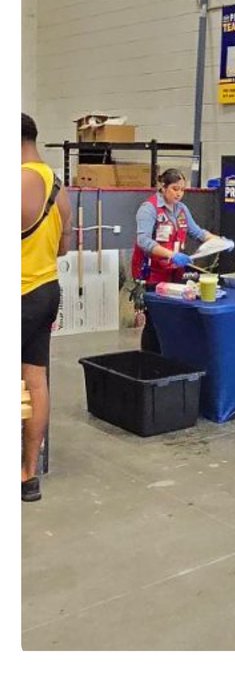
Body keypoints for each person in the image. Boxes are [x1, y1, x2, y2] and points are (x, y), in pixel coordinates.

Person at [21, 114, 72, 503]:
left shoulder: (18, 182)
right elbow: (62, 248)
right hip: (45, 291)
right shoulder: (59, 186)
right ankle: (29, 473)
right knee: (35, 381)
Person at [132, 168, 220, 352]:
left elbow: (197, 232)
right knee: (155, 319)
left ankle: (169, 354)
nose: (179, 193)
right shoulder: (149, 209)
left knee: (173, 316)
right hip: (152, 272)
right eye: (174, 188)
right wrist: (171, 254)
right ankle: (150, 356)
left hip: (174, 271)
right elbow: (143, 240)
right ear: (162, 187)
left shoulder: (181, 209)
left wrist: (220, 241)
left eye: (182, 189)